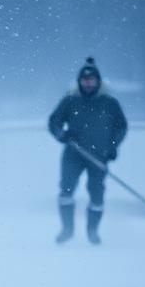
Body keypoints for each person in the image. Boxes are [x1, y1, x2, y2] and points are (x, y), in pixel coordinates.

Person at [48, 57, 127, 245]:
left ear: (98, 81)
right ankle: (67, 230)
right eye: (84, 79)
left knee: (97, 194)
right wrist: (62, 134)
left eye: (91, 79)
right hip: (73, 154)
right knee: (66, 191)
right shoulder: (70, 101)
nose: (88, 83)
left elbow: (121, 127)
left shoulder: (110, 103)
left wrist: (112, 147)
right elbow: (54, 122)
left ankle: (93, 231)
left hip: (99, 156)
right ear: (79, 81)